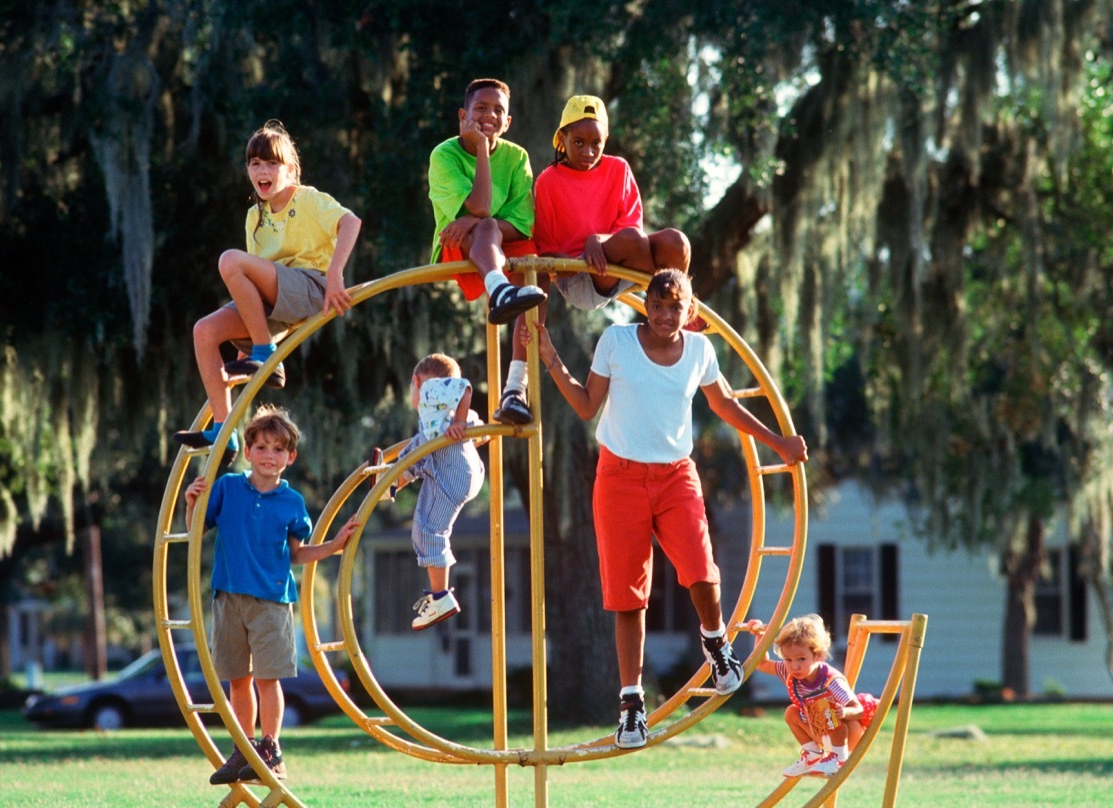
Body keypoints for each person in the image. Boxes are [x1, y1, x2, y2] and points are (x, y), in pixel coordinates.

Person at [524, 269, 808, 750]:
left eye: (674, 307)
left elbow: (725, 406)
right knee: (628, 595)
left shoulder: (700, 351)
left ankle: (716, 644)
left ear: (689, 310)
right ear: (645, 306)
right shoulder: (616, 341)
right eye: (656, 305)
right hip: (619, 478)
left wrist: (777, 442)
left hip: (676, 475)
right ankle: (632, 706)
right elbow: (588, 405)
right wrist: (551, 358)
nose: (663, 315)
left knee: (701, 568)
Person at [184, 404, 361, 785]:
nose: (269, 455)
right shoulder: (228, 488)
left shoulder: (291, 502)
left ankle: (270, 746)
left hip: (272, 600)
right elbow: (196, 531)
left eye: (278, 449)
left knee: (267, 678)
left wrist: (334, 544)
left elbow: (299, 554)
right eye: (261, 447)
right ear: (247, 452)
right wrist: (192, 503)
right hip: (228, 597)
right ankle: (243, 748)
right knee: (237, 679)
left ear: (290, 457)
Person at [174, 120, 362, 461]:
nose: (263, 170)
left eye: (272, 163)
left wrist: (335, 273)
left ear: (289, 169)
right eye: (255, 163)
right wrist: (244, 356)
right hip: (277, 298)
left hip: (311, 285)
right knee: (204, 331)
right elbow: (252, 287)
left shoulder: (307, 199)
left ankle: (266, 354)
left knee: (230, 260)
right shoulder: (254, 218)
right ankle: (224, 430)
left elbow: (351, 221)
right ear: (247, 170)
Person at [428, 78, 546, 426]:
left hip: (497, 248)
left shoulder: (517, 157)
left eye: (498, 110)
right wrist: (481, 148)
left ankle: (514, 389)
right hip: (459, 251)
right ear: (463, 115)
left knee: (536, 268)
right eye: (481, 108)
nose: (490, 115)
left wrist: (479, 222)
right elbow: (480, 205)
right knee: (485, 225)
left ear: (508, 122)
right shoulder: (444, 154)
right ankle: (499, 290)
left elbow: (523, 224)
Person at [534, 95, 690, 310]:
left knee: (677, 242)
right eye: (578, 142)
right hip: (582, 277)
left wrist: (598, 240)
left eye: (596, 143)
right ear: (562, 138)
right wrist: (579, 257)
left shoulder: (618, 168)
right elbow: (544, 249)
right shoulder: (547, 181)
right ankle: (664, 296)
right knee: (632, 239)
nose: (588, 152)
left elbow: (631, 226)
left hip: (627, 263)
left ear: (605, 139)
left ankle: (680, 306)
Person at [374, 353, 486, 630]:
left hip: (454, 473)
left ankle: (441, 597)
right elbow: (481, 428)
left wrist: (460, 422)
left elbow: (465, 387)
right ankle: (391, 480)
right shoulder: (436, 414)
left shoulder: (429, 391)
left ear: (416, 381)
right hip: (461, 470)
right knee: (420, 447)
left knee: (428, 530)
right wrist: (465, 424)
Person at [745, 614, 879, 777]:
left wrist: (843, 712)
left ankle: (839, 758)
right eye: (788, 659)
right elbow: (762, 663)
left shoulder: (831, 680)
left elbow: (857, 709)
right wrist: (760, 635)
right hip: (821, 731)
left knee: (824, 707)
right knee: (791, 712)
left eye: (801, 659)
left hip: (848, 735)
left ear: (818, 655)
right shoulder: (790, 672)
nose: (795, 666)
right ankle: (812, 754)